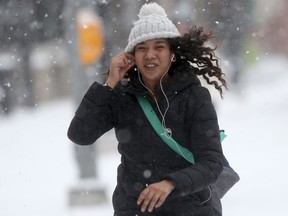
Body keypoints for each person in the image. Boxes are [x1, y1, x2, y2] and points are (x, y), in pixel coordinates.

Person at [68, 2, 228, 216]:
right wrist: (109, 85)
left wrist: (170, 183)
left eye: (159, 46)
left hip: (190, 208)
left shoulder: (195, 97)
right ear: (132, 57)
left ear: (172, 53)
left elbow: (211, 163)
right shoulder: (121, 98)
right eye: (142, 48)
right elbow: (80, 135)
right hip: (134, 209)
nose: (150, 54)